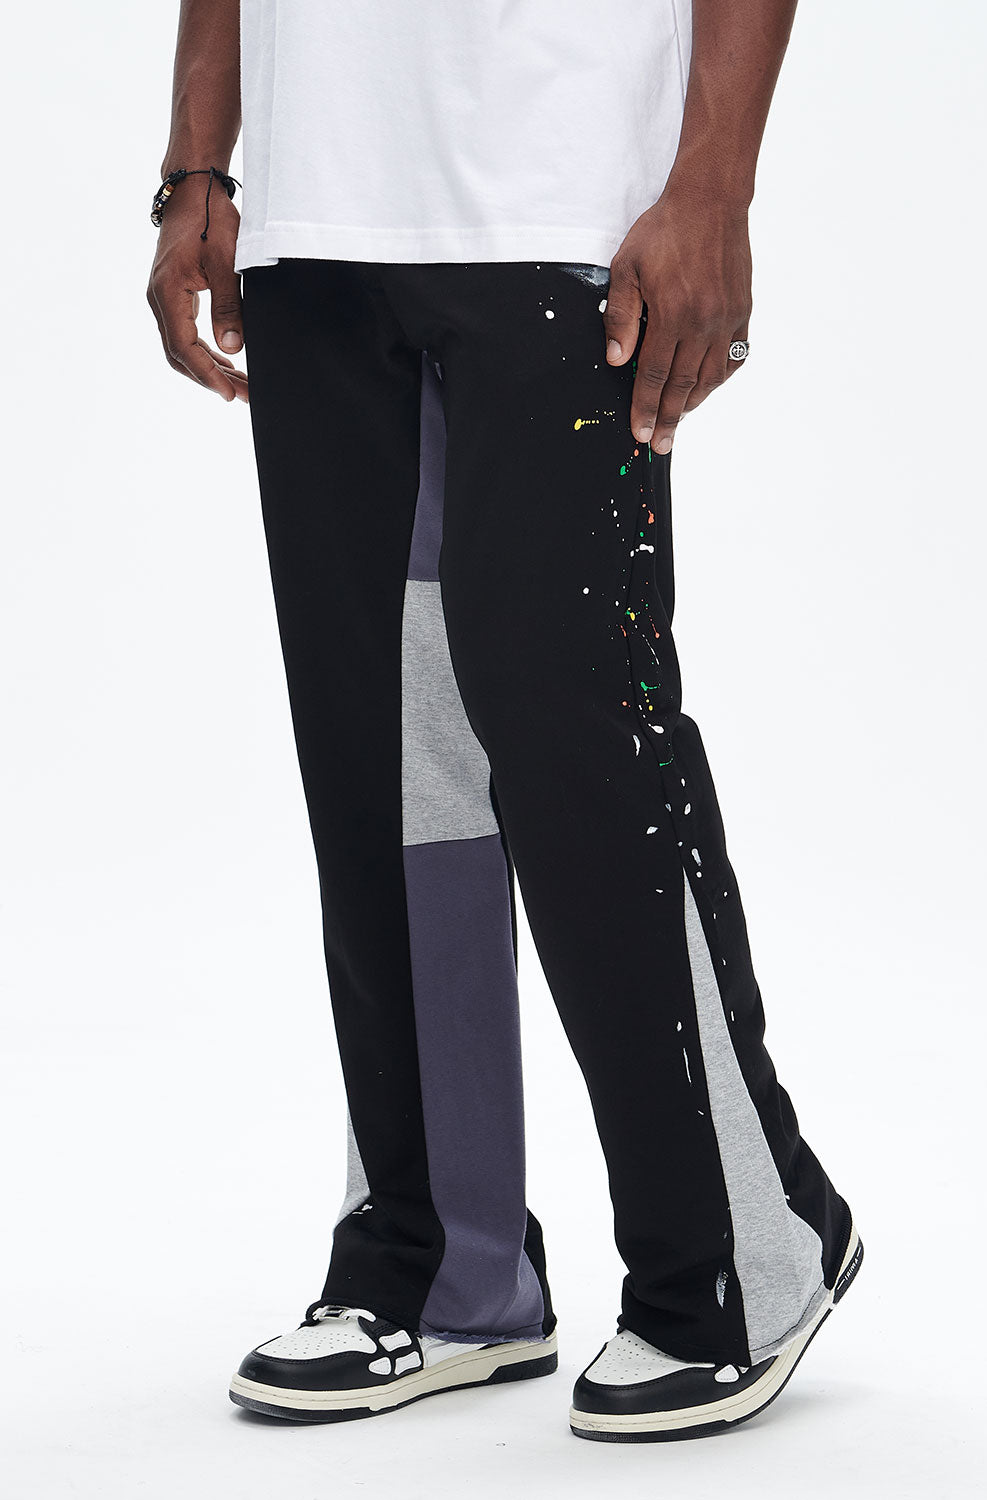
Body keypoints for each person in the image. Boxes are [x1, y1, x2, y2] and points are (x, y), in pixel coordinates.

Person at [148, 0, 862, 1443]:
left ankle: (744, 1240)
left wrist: (715, 183)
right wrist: (198, 164)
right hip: (317, 210)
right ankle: (439, 1262)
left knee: (573, 736)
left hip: (566, 192)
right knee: (384, 756)